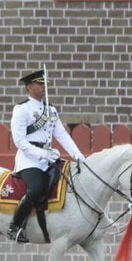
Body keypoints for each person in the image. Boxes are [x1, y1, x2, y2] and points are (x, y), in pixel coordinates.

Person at [8, 70, 85, 244]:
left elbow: (62, 136)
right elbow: (19, 141)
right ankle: (15, 225)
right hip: (29, 159)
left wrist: (79, 156)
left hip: (49, 157)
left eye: (45, 84)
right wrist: (42, 153)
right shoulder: (22, 109)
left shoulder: (51, 110)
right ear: (30, 87)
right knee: (36, 189)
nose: (44, 87)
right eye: (40, 84)